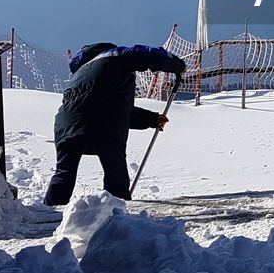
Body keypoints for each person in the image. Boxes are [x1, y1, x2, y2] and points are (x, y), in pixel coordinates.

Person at [44, 42, 188, 206]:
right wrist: (177, 64)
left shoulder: (79, 74)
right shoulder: (113, 56)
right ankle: (116, 214)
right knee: (115, 172)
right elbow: (142, 53)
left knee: (64, 173)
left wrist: (152, 119)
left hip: (66, 127)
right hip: (104, 124)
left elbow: (111, 107)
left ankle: (49, 212)